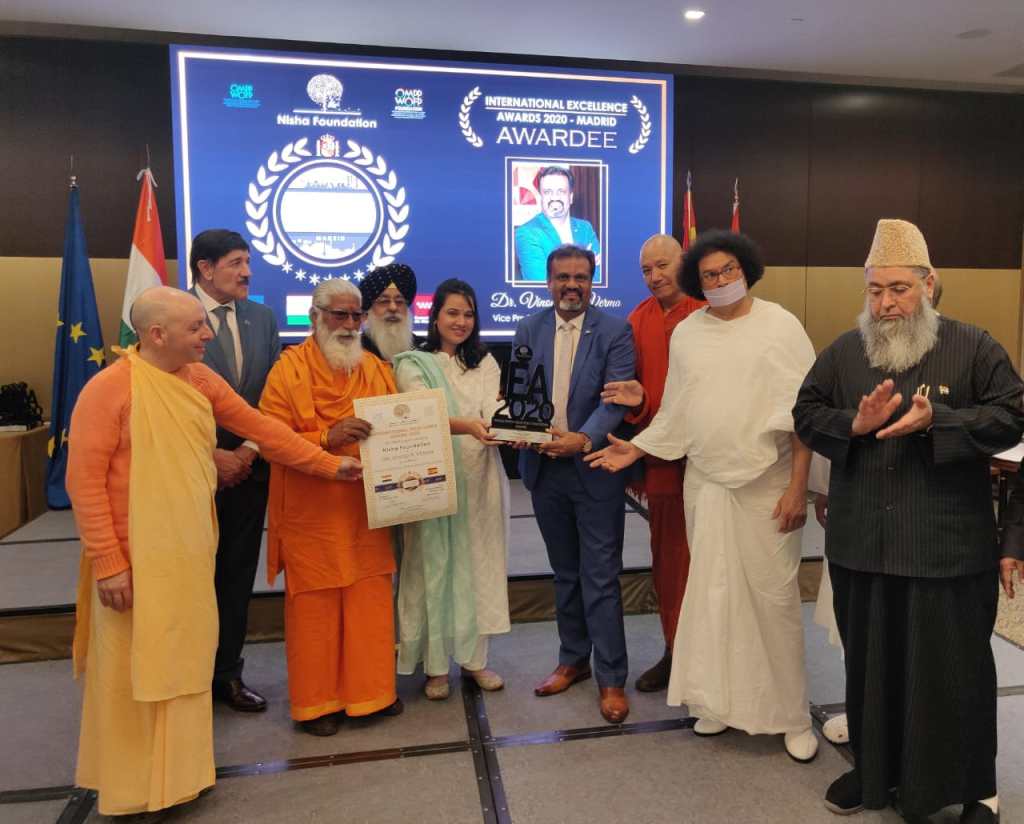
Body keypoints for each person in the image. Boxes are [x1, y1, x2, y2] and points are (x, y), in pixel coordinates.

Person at [66, 286, 361, 816]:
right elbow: (83, 483)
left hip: (190, 551)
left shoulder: (199, 379)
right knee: (135, 676)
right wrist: (109, 563)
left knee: (185, 665)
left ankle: (181, 778)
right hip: (132, 565)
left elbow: (263, 430)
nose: (208, 334)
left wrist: (329, 465)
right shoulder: (108, 390)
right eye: (196, 327)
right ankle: (134, 790)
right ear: (158, 335)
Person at [793, 219, 1024, 823]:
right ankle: (874, 771)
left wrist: (938, 421)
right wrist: (854, 424)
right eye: (875, 290)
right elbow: (805, 413)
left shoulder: (974, 346)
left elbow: (1012, 415)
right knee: (871, 669)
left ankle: (976, 789)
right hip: (863, 546)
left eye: (898, 288)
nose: (886, 303)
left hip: (946, 547)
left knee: (956, 673)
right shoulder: (844, 352)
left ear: (928, 284)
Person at [586, 229, 820, 762]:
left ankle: (791, 715)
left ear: (746, 269)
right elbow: (678, 411)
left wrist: (797, 488)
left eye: (727, 270)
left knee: (773, 600)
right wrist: (636, 448)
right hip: (706, 484)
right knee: (712, 597)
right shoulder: (689, 332)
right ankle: (715, 703)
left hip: (768, 485)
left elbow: (805, 415)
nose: (719, 280)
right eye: (710, 275)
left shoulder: (781, 325)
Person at [259, 278, 402, 737]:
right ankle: (317, 704)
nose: (349, 324)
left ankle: (372, 694)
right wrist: (326, 438)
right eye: (339, 314)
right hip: (312, 514)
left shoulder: (375, 368)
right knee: (316, 611)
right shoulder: (287, 371)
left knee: (368, 603)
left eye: (356, 315)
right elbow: (270, 441)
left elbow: (401, 431)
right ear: (315, 317)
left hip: (365, 511)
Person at [514, 244, 635, 724]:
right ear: (548, 282)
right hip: (544, 471)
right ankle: (572, 660)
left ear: (592, 282)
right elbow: (521, 395)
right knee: (564, 573)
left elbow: (615, 400)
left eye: (580, 277)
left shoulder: (615, 331)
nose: (571, 285)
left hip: (594, 468)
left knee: (600, 576)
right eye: (562, 277)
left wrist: (582, 439)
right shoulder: (529, 328)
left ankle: (612, 677)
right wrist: (522, 429)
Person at [393, 279, 511, 699]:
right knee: (434, 569)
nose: (461, 321)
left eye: (469, 314)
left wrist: (515, 425)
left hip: (480, 481)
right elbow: (420, 415)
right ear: (436, 316)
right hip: (431, 481)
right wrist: (469, 427)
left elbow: (494, 409)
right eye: (453, 312)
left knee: (478, 567)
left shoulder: (485, 362)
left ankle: (475, 660)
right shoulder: (414, 363)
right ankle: (436, 667)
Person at [601, 233, 704, 692]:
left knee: (712, 559)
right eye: (646, 269)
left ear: (685, 261)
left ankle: (713, 657)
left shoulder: (708, 312)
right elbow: (637, 394)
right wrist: (637, 402)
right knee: (668, 559)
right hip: (661, 461)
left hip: (708, 458)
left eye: (663, 265)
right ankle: (675, 650)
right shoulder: (636, 319)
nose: (655, 276)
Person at [188, 228, 280, 713]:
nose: (247, 272)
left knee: (236, 574)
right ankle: (187, 677)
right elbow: (161, 402)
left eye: (248, 262)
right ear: (205, 268)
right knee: (189, 576)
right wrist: (212, 457)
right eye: (236, 263)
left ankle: (227, 673)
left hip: (249, 470)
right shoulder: (172, 314)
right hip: (190, 473)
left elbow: (271, 394)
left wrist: (246, 450)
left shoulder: (262, 318)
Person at [515, 167, 602, 282]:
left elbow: (601, 278)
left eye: (561, 192)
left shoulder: (585, 228)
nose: (554, 197)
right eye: (548, 192)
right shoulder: (526, 233)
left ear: (570, 198)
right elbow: (540, 283)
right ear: (541, 197)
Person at [359, 262, 419, 362]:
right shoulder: (357, 350)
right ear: (369, 310)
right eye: (384, 301)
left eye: (399, 301)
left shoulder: (422, 349)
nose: (393, 308)